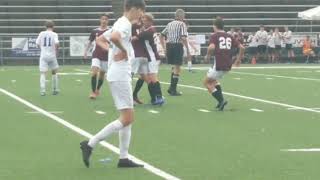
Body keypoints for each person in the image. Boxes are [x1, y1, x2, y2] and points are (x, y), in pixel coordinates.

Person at [80, 0, 146, 168]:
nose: (142, 15)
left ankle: (123, 158)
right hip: (120, 74)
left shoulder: (120, 22)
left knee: (127, 118)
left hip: (118, 73)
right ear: (134, 9)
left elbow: (101, 39)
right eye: (141, 11)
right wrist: (122, 51)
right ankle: (90, 144)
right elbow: (114, 38)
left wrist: (113, 51)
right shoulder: (124, 24)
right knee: (128, 117)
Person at [204, 18, 245, 111]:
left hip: (219, 64)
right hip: (228, 64)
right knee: (214, 81)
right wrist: (238, 60)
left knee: (206, 83)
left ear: (215, 26)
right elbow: (242, 48)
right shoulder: (229, 36)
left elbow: (211, 47)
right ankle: (220, 102)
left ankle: (221, 100)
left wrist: (207, 56)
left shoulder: (215, 36)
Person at [132, 13, 165, 105]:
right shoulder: (150, 29)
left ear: (150, 21)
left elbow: (134, 38)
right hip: (151, 56)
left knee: (153, 77)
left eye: (145, 20)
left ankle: (159, 97)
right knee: (148, 77)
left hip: (153, 56)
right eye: (142, 19)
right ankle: (154, 98)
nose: (143, 21)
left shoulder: (148, 31)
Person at [160, 9, 191, 96]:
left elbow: (161, 35)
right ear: (182, 16)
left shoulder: (169, 24)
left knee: (174, 67)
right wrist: (188, 49)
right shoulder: (182, 24)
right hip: (177, 45)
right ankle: (173, 89)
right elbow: (184, 38)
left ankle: (171, 88)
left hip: (169, 45)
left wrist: (164, 47)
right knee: (177, 67)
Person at [84, 13, 110, 99]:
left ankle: (98, 89)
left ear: (108, 21)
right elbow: (90, 42)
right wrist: (85, 52)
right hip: (96, 54)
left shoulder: (111, 31)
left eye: (106, 19)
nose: (104, 21)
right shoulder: (95, 31)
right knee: (94, 72)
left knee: (102, 74)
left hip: (106, 55)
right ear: (100, 20)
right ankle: (93, 92)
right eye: (102, 19)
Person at [36, 20, 60, 96]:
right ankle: (55, 89)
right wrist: (56, 51)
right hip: (52, 55)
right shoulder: (54, 34)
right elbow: (57, 43)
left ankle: (43, 91)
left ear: (45, 26)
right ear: (53, 26)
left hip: (43, 55)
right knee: (54, 72)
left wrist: (42, 49)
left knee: (43, 73)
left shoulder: (41, 33)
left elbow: (37, 43)